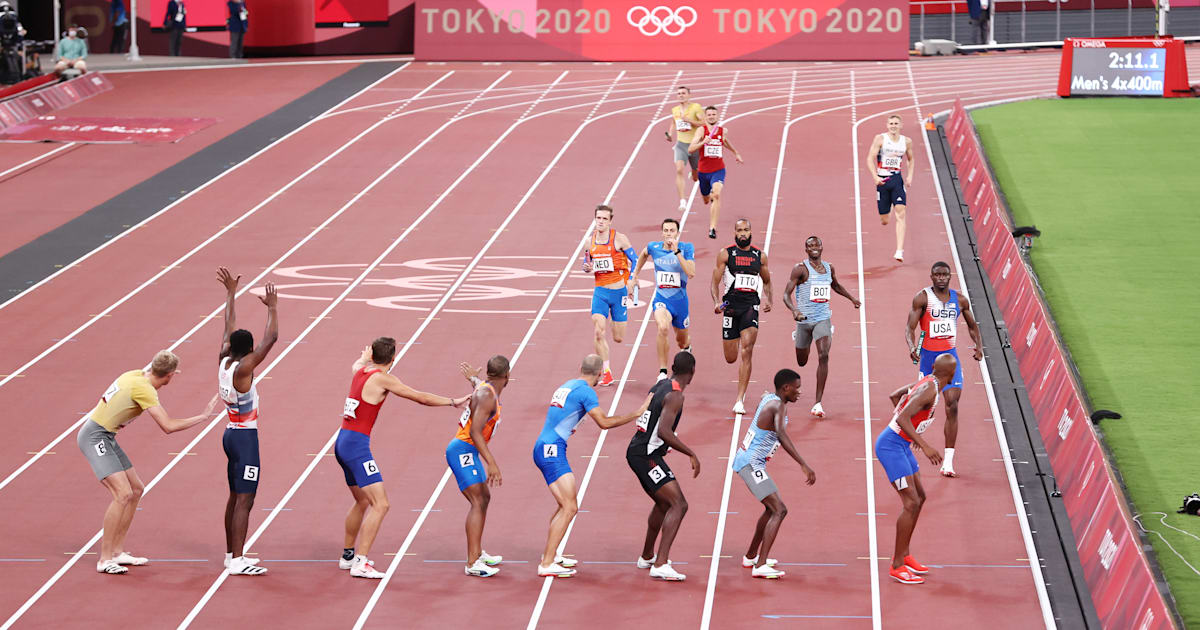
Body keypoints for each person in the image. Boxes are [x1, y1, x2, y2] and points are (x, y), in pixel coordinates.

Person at [76, 351, 218, 574]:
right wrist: (203, 417)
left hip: (106, 435)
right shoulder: (146, 390)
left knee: (136, 489)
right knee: (122, 494)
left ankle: (117, 552)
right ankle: (104, 559)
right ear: (170, 376)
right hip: (95, 437)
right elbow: (168, 426)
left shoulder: (134, 375)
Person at [337, 338, 469, 579]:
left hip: (342, 443)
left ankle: (347, 556)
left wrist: (365, 358)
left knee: (363, 501)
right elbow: (420, 397)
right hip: (356, 447)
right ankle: (361, 562)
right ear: (393, 359)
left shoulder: (361, 370)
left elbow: (356, 363)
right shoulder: (384, 378)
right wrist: (452, 401)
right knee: (381, 504)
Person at [533, 354, 652, 577]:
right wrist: (637, 413)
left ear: (581, 368)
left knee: (564, 505)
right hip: (552, 450)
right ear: (599, 374)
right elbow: (604, 423)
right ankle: (547, 564)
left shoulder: (567, 385)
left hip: (545, 447)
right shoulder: (586, 391)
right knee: (570, 507)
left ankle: (550, 554)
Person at [874, 353, 957, 585]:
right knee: (910, 503)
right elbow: (902, 417)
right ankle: (896, 566)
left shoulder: (928, 381)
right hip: (891, 447)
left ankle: (905, 555)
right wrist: (924, 444)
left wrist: (911, 436)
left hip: (900, 444)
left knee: (920, 497)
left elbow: (895, 396)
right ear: (950, 374)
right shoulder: (930, 389)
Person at [215, 268, 277, 576]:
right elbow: (272, 338)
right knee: (245, 498)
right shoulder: (243, 369)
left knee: (234, 495)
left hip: (229, 434)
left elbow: (228, 327)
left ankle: (231, 555)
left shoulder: (224, 359)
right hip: (245, 439)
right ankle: (238, 560)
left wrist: (230, 294)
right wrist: (273, 308)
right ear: (249, 351)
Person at [731, 369, 817, 579]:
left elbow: (764, 394)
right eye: (797, 388)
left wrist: (766, 394)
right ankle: (760, 565)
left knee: (771, 509)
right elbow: (781, 435)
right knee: (780, 510)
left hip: (750, 461)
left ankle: (751, 556)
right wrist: (803, 464)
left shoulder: (772, 398)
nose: (800, 392)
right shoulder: (778, 406)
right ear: (786, 388)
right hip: (751, 464)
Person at [905, 261, 984, 478]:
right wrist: (912, 347)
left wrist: (979, 345)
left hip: (950, 360)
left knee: (953, 405)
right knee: (922, 407)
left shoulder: (959, 300)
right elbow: (910, 327)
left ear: (950, 276)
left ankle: (948, 462)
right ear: (931, 276)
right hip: (928, 360)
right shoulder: (922, 298)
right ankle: (911, 435)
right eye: (937, 275)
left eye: (945, 275)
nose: (941, 278)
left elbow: (972, 325)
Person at [627, 352, 700, 581]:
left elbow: (650, 414)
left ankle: (647, 556)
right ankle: (660, 563)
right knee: (679, 504)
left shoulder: (660, 384)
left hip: (639, 450)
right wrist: (691, 453)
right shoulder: (676, 396)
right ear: (693, 372)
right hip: (645, 455)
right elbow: (664, 432)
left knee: (663, 502)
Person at [782, 236, 861, 418]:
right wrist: (794, 310)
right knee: (801, 361)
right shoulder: (800, 269)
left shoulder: (828, 268)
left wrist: (852, 298)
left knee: (823, 355)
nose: (814, 248)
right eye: (810, 246)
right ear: (806, 249)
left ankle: (818, 403)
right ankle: (800, 337)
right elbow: (786, 295)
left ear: (822, 247)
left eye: (817, 245)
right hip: (803, 320)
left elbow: (835, 285)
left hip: (822, 318)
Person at [446, 355, 510, 578]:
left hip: (468, 451)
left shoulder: (485, 388)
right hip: (463, 450)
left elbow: (478, 384)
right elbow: (475, 432)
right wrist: (491, 462)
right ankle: (472, 562)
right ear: (507, 376)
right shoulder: (486, 396)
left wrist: (473, 376)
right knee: (478, 500)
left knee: (484, 498)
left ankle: (477, 552)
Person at [710, 218, 773, 415]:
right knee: (731, 357)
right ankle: (734, 337)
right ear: (735, 233)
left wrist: (768, 299)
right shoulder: (726, 254)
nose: (743, 233)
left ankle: (740, 399)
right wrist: (715, 302)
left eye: (746, 229)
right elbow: (714, 281)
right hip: (730, 307)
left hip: (750, 307)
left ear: (751, 231)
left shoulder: (759, 256)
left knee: (747, 350)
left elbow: (767, 280)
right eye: (739, 230)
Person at [632, 218, 694, 381]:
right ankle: (663, 371)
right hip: (662, 299)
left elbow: (691, 272)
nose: (668, 234)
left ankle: (687, 346)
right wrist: (635, 275)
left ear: (677, 233)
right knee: (663, 327)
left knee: (681, 342)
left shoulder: (686, 248)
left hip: (680, 302)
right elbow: (644, 254)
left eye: (672, 231)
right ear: (662, 232)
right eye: (666, 230)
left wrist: (677, 252)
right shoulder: (654, 247)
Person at [581, 204, 636, 387]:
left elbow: (635, 261)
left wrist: (630, 281)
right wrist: (586, 267)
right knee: (598, 331)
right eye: (598, 218)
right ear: (595, 219)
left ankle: (615, 319)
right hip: (600, 292)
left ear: (610, 221)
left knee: (618, 337)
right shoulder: (590, 241)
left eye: (604, 219)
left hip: (619, 291)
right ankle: (606, 372)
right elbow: (586, 262)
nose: (601, 222)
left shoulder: (620, 239)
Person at [687, 105, 744, 239]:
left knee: (717, 194)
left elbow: (725, 141)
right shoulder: (701, 131)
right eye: (709, 115)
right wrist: (703, 142)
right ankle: (708, 196)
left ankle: (712, 228)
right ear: (705, 117)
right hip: (703, 172)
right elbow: (690, 149)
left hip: (718, 170)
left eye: (714, 114)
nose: (711, 116)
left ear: (717, 116)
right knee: (707, 199)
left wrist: (736, 152)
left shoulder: (723, 131)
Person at [866, 115, 915, 261]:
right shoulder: (880, 139)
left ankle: (899, 251)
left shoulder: (906, 141)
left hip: (896, 180)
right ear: (887, 125)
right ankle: (891, 207)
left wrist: (910, 176)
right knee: (885, 220)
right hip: (882, 181)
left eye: (896, 123)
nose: (893, 126)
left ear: (901, 125)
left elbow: (911, 159)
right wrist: (875, 177)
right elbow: (870, 158)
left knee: (901, 214)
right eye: (891, 123)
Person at [666, 86, 703, 210]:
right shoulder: (675, 109)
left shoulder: (695, 107)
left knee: (696, 176)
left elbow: (703, 123)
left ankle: (693, 172)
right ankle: (682, 201)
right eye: (678, 93)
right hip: (680, 144)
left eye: (683, 93)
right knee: (679, 169)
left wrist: (690, 121)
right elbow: (673, 122)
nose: (680, 95)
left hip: (694, 145)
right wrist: (670, 134)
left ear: (689, 95)